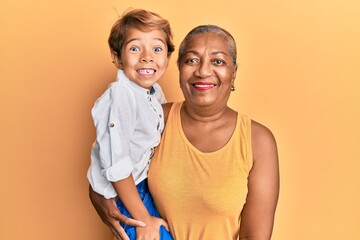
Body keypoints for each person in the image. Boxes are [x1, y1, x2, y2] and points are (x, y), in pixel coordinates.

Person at [89, 24, 279, 240]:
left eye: (217, 61)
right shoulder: (156, 119)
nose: (203, 71)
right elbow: (110, 161)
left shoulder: (257, 141)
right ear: (179, 69)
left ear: (233, 73)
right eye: (192, 60)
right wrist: (96, 196)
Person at [87, 8, 175, 240]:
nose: (147, 57)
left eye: (157, 49)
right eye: (135, 48)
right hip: (126, 191)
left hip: (143, 185)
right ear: (117, 58)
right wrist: (143, 219)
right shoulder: (121, 95)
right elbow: (117, 165)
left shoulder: (153, 93)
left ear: (167, 57)